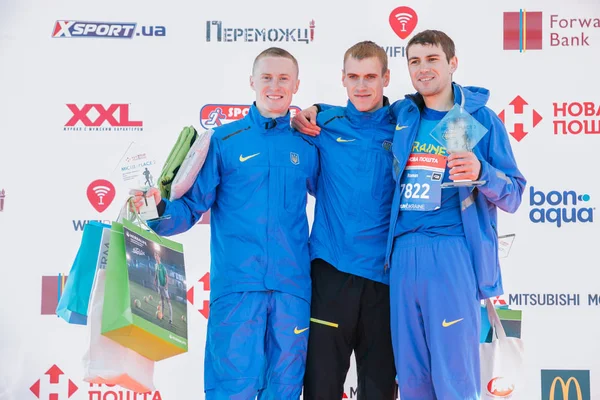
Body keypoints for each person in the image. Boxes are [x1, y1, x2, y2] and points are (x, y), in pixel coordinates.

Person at [133, 47, 319, 399]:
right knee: (231, 390)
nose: (274, 86)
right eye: (266, 77)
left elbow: (340, 203)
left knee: (285, 389)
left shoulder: (308, 144)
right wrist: (153, 210)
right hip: (237, 290)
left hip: (292, 290)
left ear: (296, 85)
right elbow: (188, 208)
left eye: (283, 78)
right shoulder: (223, 141)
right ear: (252, 81)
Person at [384, 30, 526, 399]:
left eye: (432, 59)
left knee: (455, 377)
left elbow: (513, 194)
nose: (423, 68)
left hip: (451, 252)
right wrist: (319, 110)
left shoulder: (473, 119)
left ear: (452, 63)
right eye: (414, 61)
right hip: (402, 254)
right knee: (412, 378)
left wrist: (482, 173)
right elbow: (361, 116)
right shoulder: (402, 115)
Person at [291, 41, 397, 399]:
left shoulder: (404, 124)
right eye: (353, 77)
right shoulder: (324, 122)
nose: (361, 86)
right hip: (331, 272)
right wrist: (312, 110)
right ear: (342, 79)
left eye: (370, 77)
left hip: (384, 278)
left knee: (380, 388)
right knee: (321, 385)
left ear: (386, 78)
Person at [153, 251, 173, 324]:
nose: (156, 257)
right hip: (160, 286)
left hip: (164, 287)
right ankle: (162, 314)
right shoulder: (155, 265)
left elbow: (167, 277)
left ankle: (170, 319)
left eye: (157, 255)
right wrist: (154, 280)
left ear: (159, 257)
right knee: (162, 300)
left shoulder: (163, 267)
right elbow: (156, 273)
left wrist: (166, 285)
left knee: (168, 302)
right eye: (155, 256)